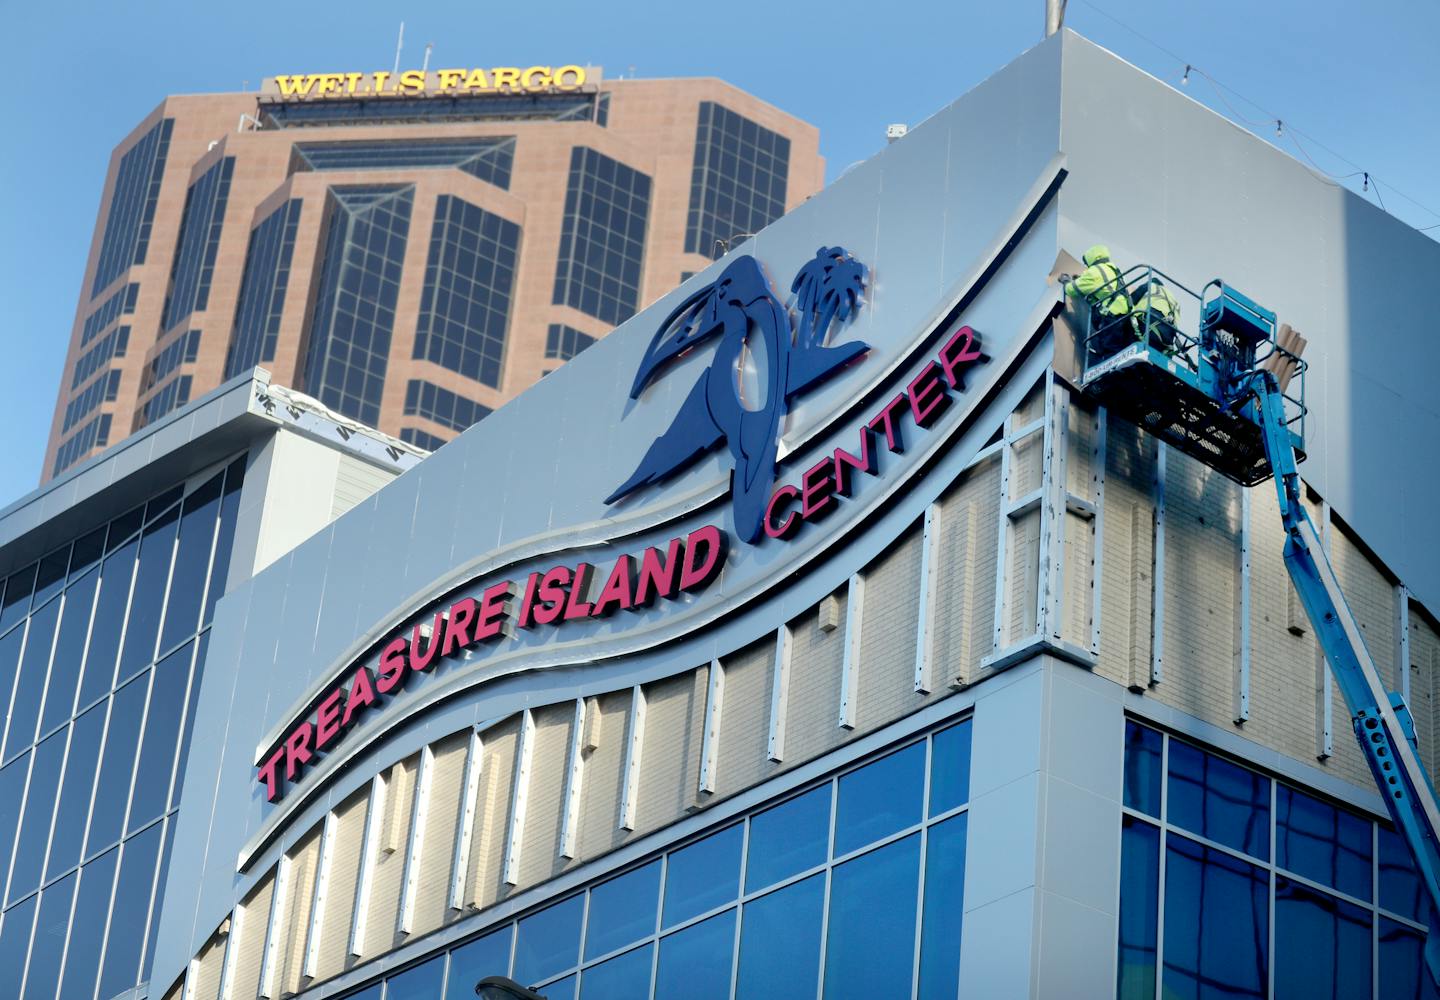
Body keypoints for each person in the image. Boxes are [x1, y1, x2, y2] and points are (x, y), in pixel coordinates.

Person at [1065, 245, 1131, 358]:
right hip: (1127, 315)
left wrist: (1067, 282)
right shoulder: (1114, 269)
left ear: (1092, 259)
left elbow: (1071, 290)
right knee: (1122, 351)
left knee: (1110, 352)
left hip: (1112, 317)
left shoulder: (1094, 272)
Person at [1130, 278, 1180, 353]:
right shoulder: (1173, 298)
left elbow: (1130, 301)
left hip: (1149, 328)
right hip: (1168, 338)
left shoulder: (1151, 286)